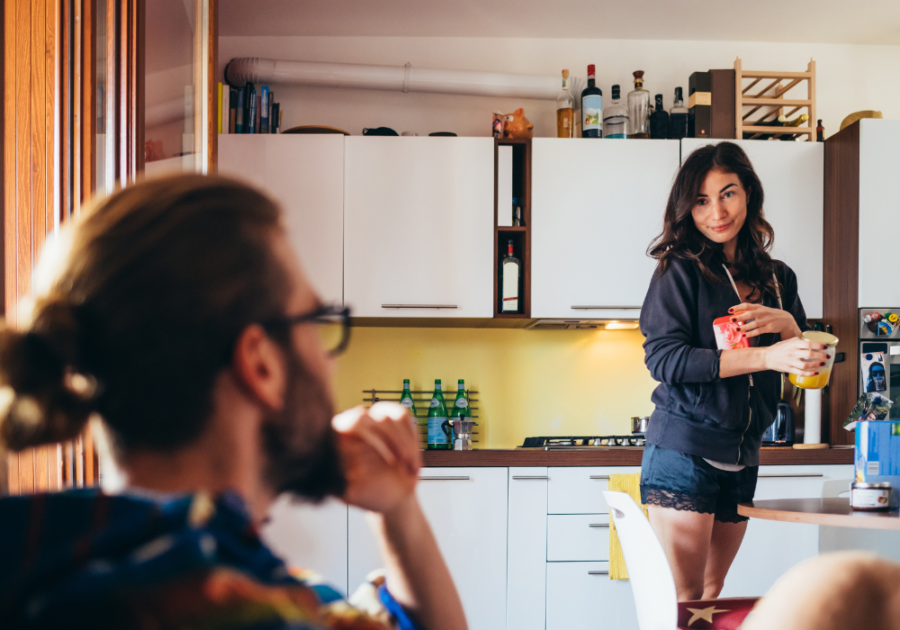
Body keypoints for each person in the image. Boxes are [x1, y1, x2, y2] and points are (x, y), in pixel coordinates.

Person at [0, 174, 468, 630]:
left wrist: (398, 514)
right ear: (261, 364)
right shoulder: (242, 609)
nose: (330, 364)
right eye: (317, 321)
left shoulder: (66, 557)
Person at [638, 142, 830, 602]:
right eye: (702, 200)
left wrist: (791, 329)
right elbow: (664, 359)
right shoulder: (679, 271)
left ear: (749, 195)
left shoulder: (779, 278)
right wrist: (765, 357)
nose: (717, 212)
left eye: (728, 194)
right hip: (685, 448)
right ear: (687, 207)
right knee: (686, 600)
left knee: (712, 591)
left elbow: (813, 366)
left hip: (744, 452)